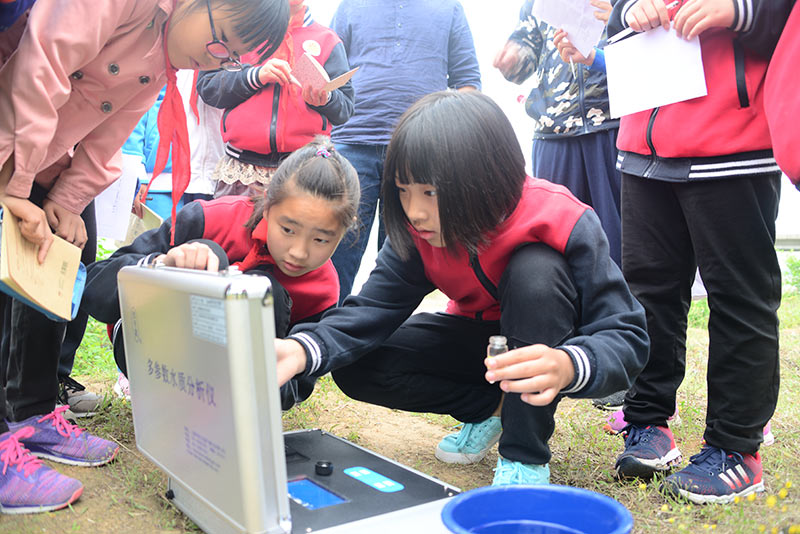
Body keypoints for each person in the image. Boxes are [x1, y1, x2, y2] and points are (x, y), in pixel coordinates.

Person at [0, 0, 290, 514]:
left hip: (47, 155)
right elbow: (41, 61)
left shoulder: (164, 61)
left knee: (67, 253)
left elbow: (111, 129)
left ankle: (32, 411)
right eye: (221, 41)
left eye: (230, 61)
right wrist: (17, 184)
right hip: (12, 126)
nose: (214, 59)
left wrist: (66, 202)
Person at [273, 91, 649, 486]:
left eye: (430, 192)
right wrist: (302, 348)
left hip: (547, 345)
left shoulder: (562, 218)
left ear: (483, 178)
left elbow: (628, 335)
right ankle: (496, 408)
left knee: (535, 271)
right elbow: (369, 311)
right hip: (482, 348)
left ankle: (524, 454)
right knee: (356, 361)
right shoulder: (418, 232)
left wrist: (569, 364)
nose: (414, 211)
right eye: (403, 190)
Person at [595, 0, 787, 504]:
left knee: (738, 297)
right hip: (642, 139)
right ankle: (647, 422)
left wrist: (737, 9)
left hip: (734, 137)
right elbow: (613, 17)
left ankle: (736, 450)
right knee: (646, 291)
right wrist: (630, 9)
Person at [82, 138, 359, 411]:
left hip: (237, 389)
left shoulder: (322, 288)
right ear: (268, 204)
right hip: (148, 354)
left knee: (262, 290)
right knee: (207, 253)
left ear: (344, 233)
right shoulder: (208, 219)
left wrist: (257, 376)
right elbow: (93, 284)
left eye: (321, 240)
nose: (299, 252)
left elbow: (297, 386)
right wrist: (164, 264)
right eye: (288, 230)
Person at [327, 0, 481, 304]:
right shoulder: (350, 6)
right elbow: (330, 77)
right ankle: (318, 337)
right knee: (333, 250)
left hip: (419, 149)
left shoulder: (449, 7)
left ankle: (390, 344)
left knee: (402, 260)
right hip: (352, 142)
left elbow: (468, 82)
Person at [197, 0, 354, 198]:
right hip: (243, 169)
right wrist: (255, 76)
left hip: (304, 171)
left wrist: (326, 98)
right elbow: (209, 86)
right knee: (233, 228)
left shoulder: (327, 40)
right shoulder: (240, 31)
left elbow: (345, 108)